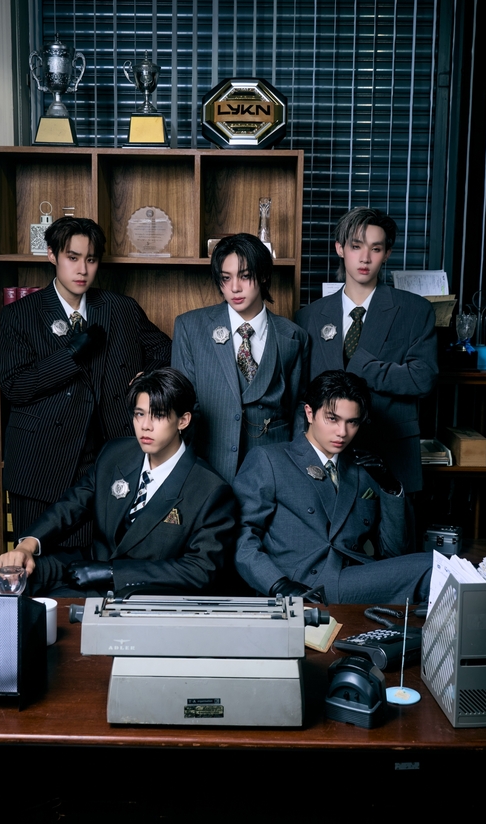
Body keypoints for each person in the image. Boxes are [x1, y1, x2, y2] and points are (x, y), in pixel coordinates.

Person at [0, 216, 171, 546]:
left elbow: (166, 349)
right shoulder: (19, 314)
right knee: (35, 559)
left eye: (90, 260)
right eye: (72, 257)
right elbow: (15, 387)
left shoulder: (122, 309)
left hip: (107, 459)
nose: (82, 270)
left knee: (99, 562)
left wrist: (146, 378)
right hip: (40, 463)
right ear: (52, 255)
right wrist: (71, 354)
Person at [0, 369, 236, 597]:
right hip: (89, 566)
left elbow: (200, 570)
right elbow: (72, 505)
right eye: (139, 414)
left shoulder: (210, 489)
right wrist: (27, 545)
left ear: (183, 420)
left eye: (158, 415)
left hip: (143, 592)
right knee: (0, 577)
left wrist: (112, 574)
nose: (145, 426)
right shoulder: (115, 453)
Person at [234, 371, 432, 605]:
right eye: (332, 419)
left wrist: (390, 488)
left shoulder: (364, 469)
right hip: (302, 584)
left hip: (352, 579)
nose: (342, 432)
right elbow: (242, 538)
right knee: (433, 566)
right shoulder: (270, 460)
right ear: (309, 413)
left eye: (352, 422)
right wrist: (278, 584)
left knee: (439, 567)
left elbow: (394, 552)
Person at [295, 207, 438, 494]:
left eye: (376, 248)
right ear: (340, 248)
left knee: (394, 523)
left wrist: (364, 368)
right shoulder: (309, 316)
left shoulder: (414, 310)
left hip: (390, 448)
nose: (365, 258)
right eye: (356, 246)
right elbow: (300, 392)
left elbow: (423, 378)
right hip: (326, 452)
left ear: (386, 254)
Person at [171, 233, 309, 484]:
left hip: (273, 468)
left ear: (264, 275)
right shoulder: (190, 327)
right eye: (226, 278)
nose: (234, 288)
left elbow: (298, 408)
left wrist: (298, 464)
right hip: (207, 468)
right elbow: (183, 405)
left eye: (245, 276)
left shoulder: (294, 336)